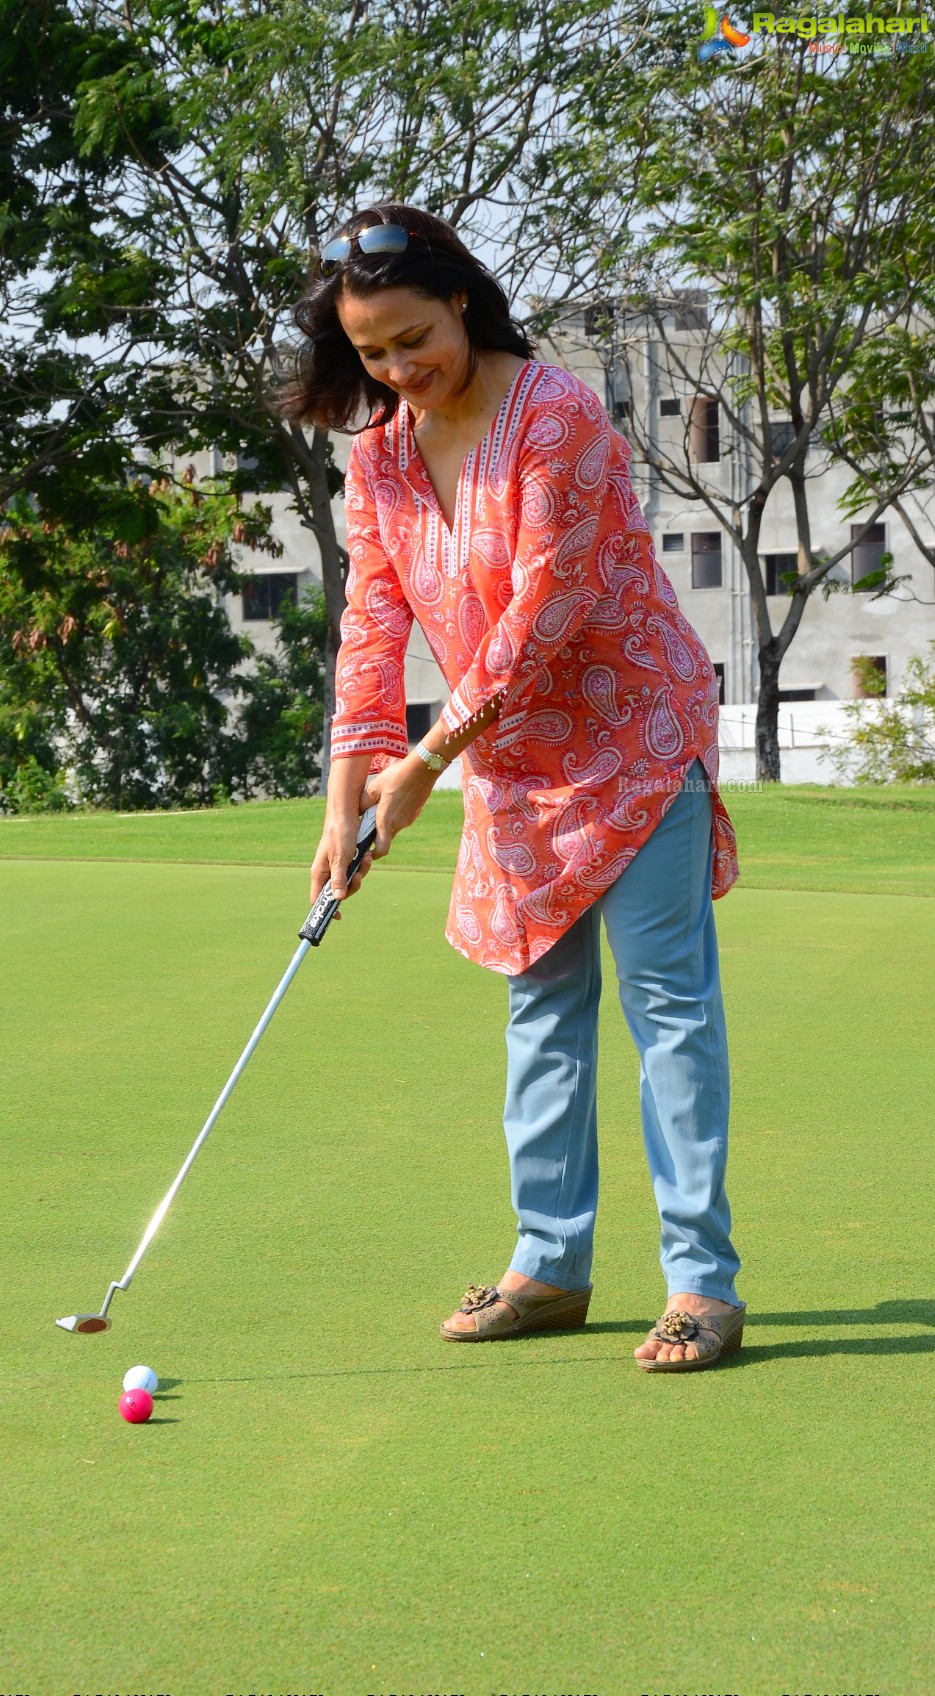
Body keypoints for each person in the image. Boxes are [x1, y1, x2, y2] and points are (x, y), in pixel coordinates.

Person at [281, 202, 746, 1372]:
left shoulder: (556, 415)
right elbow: (370, 630)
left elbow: (546, 610)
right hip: (513, 769)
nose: (397, 368)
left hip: (631, 744)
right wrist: (342, 802)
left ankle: (700, 1283)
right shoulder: (379, 456)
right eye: (371, 352)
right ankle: (551, 1265)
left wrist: (424, 763)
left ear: (459, 302)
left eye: (410, 338)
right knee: (539, 1012)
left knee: (667, 1014)